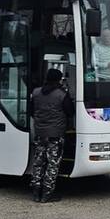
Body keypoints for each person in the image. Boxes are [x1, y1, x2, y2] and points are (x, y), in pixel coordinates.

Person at [28, 68, 75, 203]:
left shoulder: (36, 92)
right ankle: (47, 193)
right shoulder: (61, 94)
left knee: (38, 162)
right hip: (55, 134)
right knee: (52, 164)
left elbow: (31, 111)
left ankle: (36, 192)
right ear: (59, 80)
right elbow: (70, 112)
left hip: (40, 133)